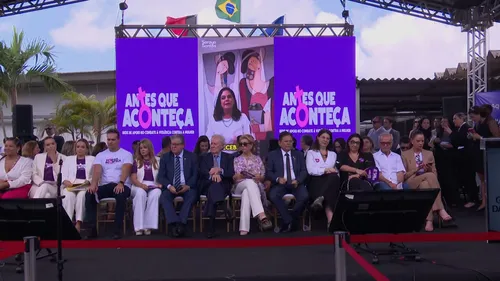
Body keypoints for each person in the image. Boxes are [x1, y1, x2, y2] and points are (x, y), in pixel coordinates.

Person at [84, 128, 133, 240]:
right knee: (89, 193)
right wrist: (93, 184)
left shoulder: (126, 154)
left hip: (121, 185)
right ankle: (91, 229)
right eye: (108, 139)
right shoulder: (101, 155)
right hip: (105, 185)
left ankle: (117, 230)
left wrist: (121, 182)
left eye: (113, 139)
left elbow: (126, 169)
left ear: (118, 140)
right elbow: (97, 170)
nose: (110, 142)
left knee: (120, 195)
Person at [401, 130, 452, 232]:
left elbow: (435, 173)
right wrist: (417, 169)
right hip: (411, 182)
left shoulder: (429, 154)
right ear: (412, 141)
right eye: (418, 141)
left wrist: (428, 169)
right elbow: (404, 176)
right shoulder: (404, 154)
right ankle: (440, 209)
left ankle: (429, 220)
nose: (420, 143)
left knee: (425, 185)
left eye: (422, 141)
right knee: (429, 176)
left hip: (427, 181)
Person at [266, 131, 309, 233]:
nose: (289, 143)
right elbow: (268, 172)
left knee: (304, 196)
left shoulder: (298, 154)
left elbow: (304, 171)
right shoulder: (273, 155)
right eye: (286, 141)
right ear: (280, 143)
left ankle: (292, 219)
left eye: (290, 141)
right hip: (280, 184)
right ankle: (288, 219)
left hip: (296, 184)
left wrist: (298, 180)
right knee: (273, 195)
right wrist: (277, 179)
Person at [158, 134, 198, 238]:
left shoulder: (192, 157)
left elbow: (196, 175)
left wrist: (188, 186)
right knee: (164, 197)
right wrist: (169, 186)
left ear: (182, 145)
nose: (173, 147)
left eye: (176, 144)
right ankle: (174, 223)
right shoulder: (165, 157)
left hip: (186, 186)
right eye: (172, 144)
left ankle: (181, 224)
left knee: (191, 196)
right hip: (171, 187)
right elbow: (161, 177)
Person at [232, 134, 272, 235]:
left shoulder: (257, 159)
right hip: (239, 186)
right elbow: (237, 177)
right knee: (249, 182)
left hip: (254, 186)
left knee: (247, 193)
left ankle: (244, 229)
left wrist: (259, 177)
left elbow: (263, 176)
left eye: (245, 144)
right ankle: (261, 215)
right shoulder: (237, 159)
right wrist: (242, 176)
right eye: (241, 144)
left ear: (251, 145)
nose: (243, 146)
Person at [199, 135, 235, 238]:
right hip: (207, 184)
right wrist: (212, 175)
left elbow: (231, 173)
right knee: (214, 186)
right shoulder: (204, 157)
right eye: (212, 143)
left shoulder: (229, 157)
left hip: (224, 185)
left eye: (215, 144)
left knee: (214, 189)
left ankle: (211, 227)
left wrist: (220, 171)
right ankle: (224, 207)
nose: (212, 146)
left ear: (222, 146)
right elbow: (202, 172)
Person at [305, 129, 340, 230]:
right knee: (331, 189)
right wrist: (325, 170)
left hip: (330, 181)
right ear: (318, 138)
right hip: (316, 182)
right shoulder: (311, 152)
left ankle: (321, 199)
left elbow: (335, 170)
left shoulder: (333, 154)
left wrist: (331, 171)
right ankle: (331, 220)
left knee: (334, 178)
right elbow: (311, 170)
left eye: (328, 138)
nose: (325, 140)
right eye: (323, 137)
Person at [61, 139, 94, 232]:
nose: (80, 149)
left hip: (85, 184)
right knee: (67, 196)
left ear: (87, 149)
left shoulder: (92, 159)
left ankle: (78, 222)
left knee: (81, 196)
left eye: (83, 147)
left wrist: (89, 181)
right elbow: (63, 174)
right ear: (75, 148)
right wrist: (65, 181)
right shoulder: (68, 159)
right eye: (78, 147)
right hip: (71, 184)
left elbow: (95, 175)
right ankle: (68, 222)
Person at [130, 139, 161, 236]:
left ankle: (148, 225)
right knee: (140, 194)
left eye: (145, 147)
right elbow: (133, 178)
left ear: (150, 148)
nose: (143, 150)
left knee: (156, 194)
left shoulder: (158, 160)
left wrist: (160, 184)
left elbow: (162, 176)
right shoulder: (136, 162)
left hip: (154, 185)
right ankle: (139, 227)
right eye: (141, 148)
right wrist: (141, 185)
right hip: (138, 185)